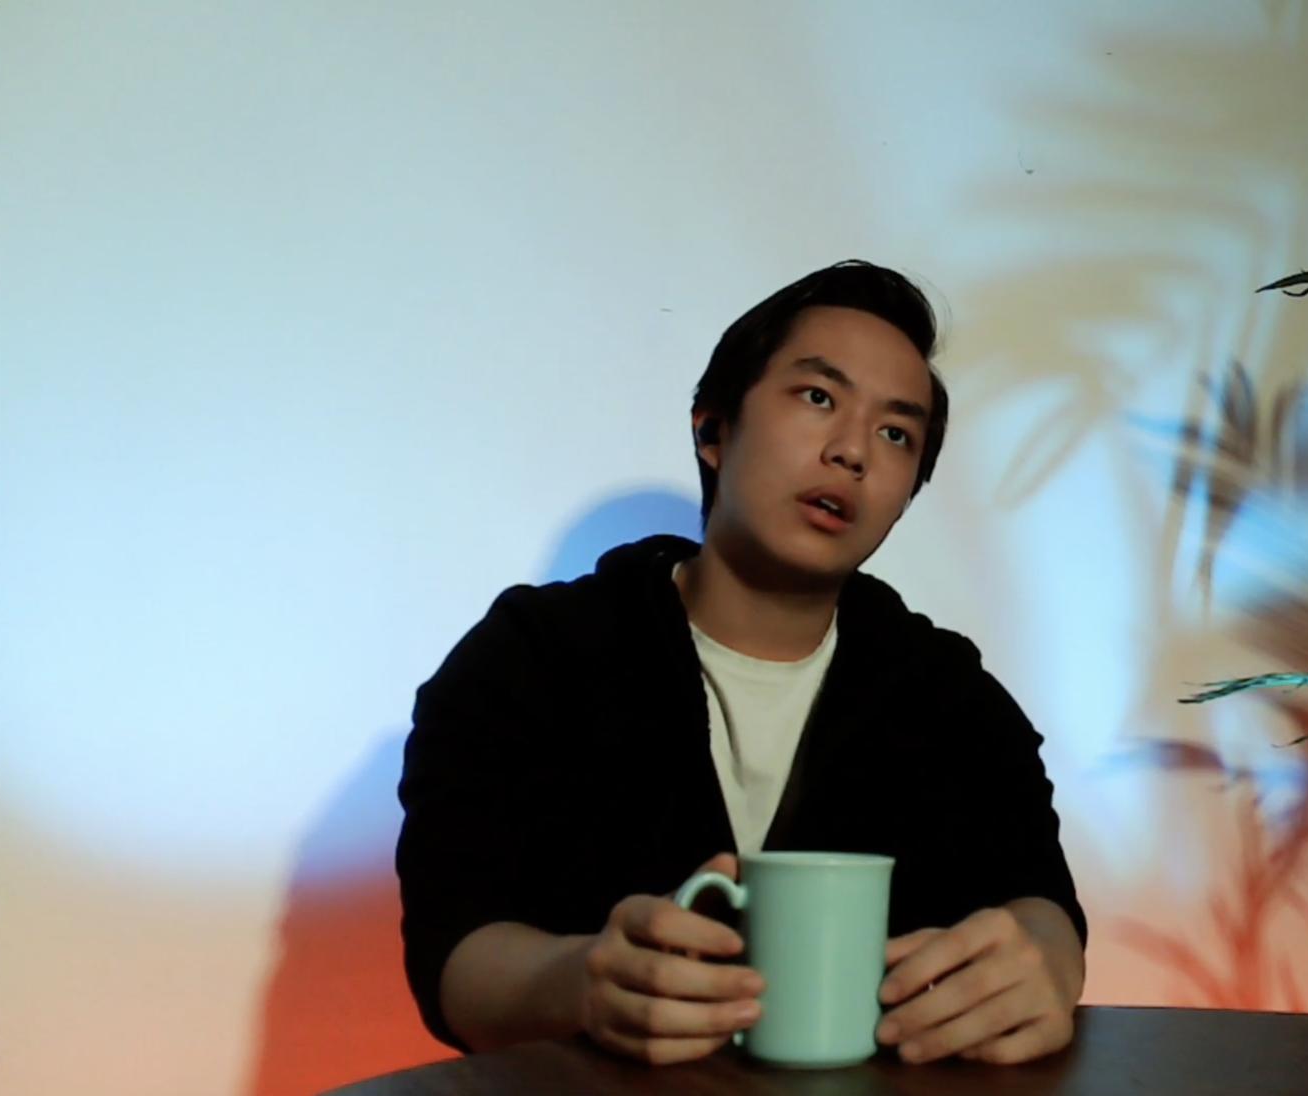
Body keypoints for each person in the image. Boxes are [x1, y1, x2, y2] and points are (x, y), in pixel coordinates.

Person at [395, 260, 1087, 1068]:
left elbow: (1039, 901)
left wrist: (1045, 958)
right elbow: (457, 953)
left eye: (896, 433)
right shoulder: (534, 656)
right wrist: (582, 982)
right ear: (713, 428)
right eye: (819, 397)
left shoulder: (948, 696)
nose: (853, 451)